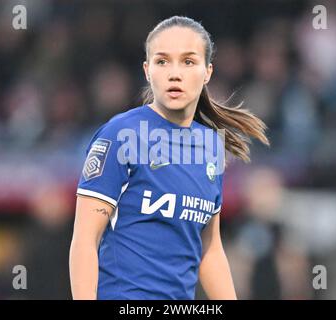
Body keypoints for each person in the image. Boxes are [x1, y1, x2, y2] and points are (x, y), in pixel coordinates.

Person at [69, 16, 269, 300]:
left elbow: (209, 249)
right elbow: (85, 241)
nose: (175, 73)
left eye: (188, 62)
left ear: (208, 71)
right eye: (163, 62)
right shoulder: (121, 135)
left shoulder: (211, 146)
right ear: (147, 70)